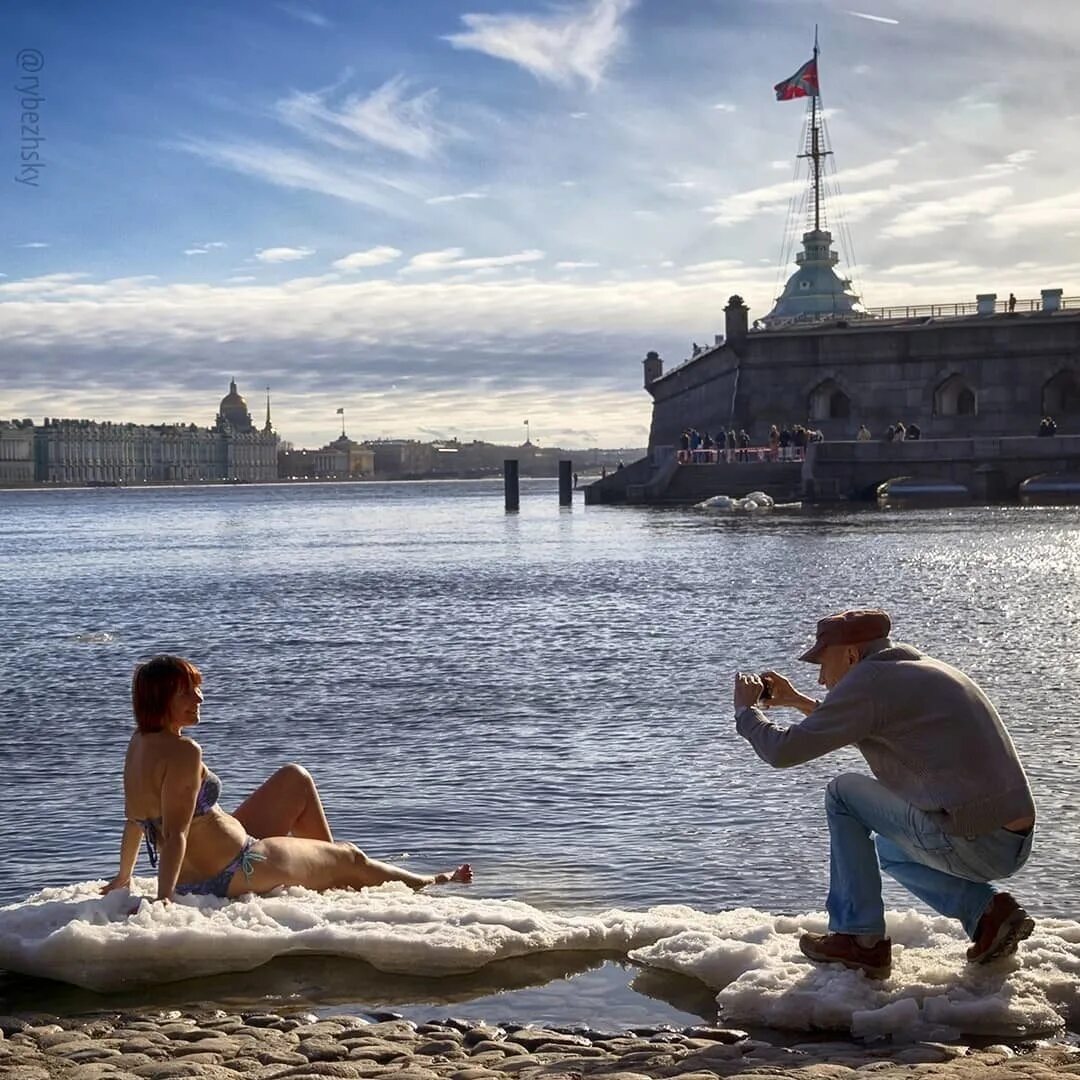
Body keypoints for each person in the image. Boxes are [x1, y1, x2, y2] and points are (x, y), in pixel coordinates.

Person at [732, 610, 1035, 980]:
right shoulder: (917, 669)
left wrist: (746, 711)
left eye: (822, 664)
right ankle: (990, 914)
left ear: (851, 655)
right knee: (892, 849)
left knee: (841, 792)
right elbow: (868, 721)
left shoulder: (870, 682)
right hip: (1007, 840)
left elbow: (782, 752)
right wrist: (798, 701)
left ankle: (859, 941)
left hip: (973, 838)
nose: (821, 678)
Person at [102, 656, 472, 904]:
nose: (199, 697)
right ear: (161, 699)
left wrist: (124, 877)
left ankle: (327, 875)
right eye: (186, 691)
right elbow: (177, 833)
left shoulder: (139, 743)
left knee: (294, 778)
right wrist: (164, 900)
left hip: (214, 859)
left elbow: (136, 821)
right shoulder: (185, 752)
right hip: (240, 866)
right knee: (351, 855)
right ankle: (424, 881)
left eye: (197, 687)